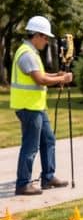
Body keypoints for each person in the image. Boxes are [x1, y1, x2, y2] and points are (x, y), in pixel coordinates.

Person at [10, 15, 73, 195]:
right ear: (36, 35)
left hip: (36, 107)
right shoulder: (26, 54)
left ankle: (48, 177)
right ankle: (23, 184)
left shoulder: (31, 53)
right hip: (28, 108)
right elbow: (40, 79)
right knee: (30, 146)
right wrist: (63, 78)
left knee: (48, 140)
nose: (46, 41)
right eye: (45, 37)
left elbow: (43, 74)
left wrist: (57, 75)